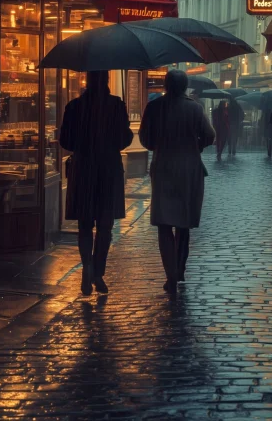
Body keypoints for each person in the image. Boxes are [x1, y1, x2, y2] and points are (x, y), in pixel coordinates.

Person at [139, 70, 215, 295]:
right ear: (185, 87)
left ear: (166, 85)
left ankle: (170, 274)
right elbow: (210, 135)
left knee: (164, 223)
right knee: (183, 222)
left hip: (163, 169)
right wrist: (197, 144)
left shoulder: (154, 108)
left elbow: (144, 139)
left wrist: (158, 145)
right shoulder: (195, 108)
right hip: (189, 171)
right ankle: (180, 268)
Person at [60, 71, 133, 296]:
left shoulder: (74, 107)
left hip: (83, 169)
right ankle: (98, 272)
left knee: (84, 224)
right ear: (107, 82)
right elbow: (126, 138)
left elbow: (65, 141)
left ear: (88, 82)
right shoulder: (116, 105)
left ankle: (87, 267)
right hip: (109, 169)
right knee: (105, 225)